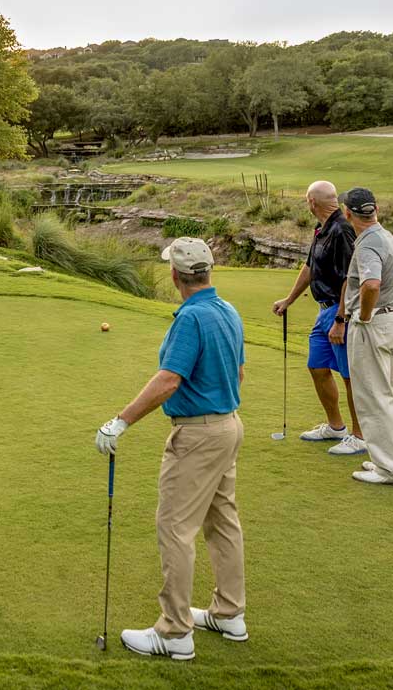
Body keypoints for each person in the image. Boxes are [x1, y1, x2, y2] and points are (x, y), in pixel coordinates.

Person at [94, 237, 247, 661]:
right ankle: (229, 613)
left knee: (176, 529)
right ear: (208, 272)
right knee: (222, 520)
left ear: (176, 275)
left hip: (198, 435)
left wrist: (120, 420)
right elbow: (238, 372)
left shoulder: (191, 318)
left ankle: (175, 632)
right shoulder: (227, 311)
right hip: (228, 425)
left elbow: (169, 380)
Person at [271, 180, 365, 455]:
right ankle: (336, 427)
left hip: (339, 311)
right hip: (324, 310)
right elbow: (309, 267)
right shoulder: (322, 229)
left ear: (312, 202)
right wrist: (289, 299)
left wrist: (341, 319)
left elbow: (352, 276)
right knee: (317, 367)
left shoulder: (342, 229)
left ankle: (359, 436)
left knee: (349, 376)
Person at [329, 188, 393, 485]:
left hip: (373, 324)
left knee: (373, 397)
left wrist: (364, 317)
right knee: (383, 396)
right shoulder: (386, 236)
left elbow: (371, 284)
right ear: (374, 209)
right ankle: (392, 459)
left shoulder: (366, 245)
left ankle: (391, 469)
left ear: (347, 213)